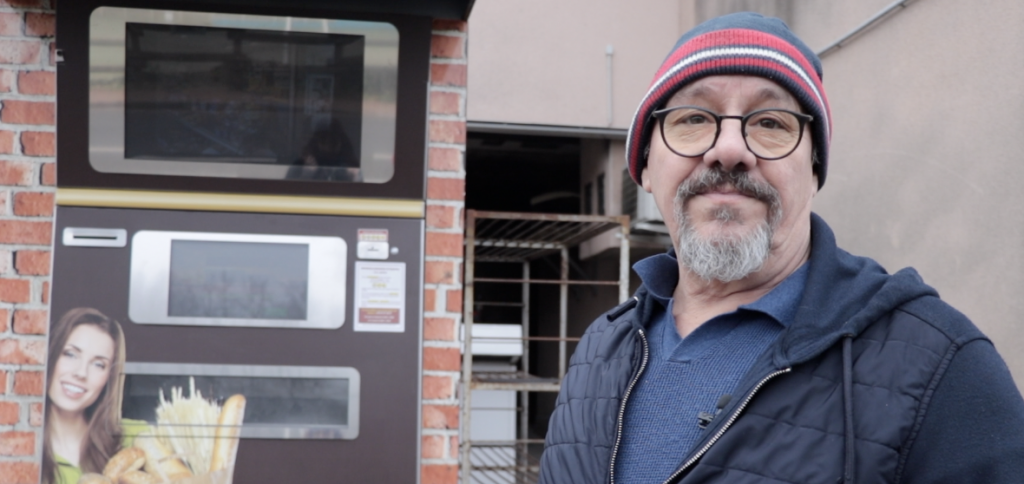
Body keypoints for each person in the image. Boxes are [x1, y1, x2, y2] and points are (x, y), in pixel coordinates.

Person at [538, 12, 1024, 484]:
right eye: (693, 118)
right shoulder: (602, 347)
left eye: (771, 123)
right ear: (645, 167)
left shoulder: (942, 367)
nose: (730, 149)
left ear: (814, 172)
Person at [42, 308, 141, 484]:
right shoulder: (15, 445)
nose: (81, 373)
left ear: (109, 377)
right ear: (51, 355)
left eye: (98, 364)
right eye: (70, 354)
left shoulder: (136, 439)